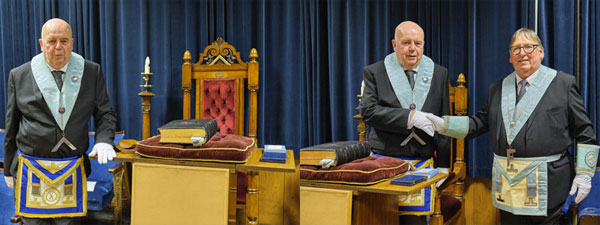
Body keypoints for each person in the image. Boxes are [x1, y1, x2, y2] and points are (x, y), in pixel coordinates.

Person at [427, 28, 598, 224]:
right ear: (510, 57)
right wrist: (444, 124)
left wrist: (584, 175)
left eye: (529, 47)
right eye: (516, 49)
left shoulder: (563, 84)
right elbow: (479, 123)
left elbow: (585, 133)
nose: (522, 53)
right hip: (508, 187)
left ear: (541, 52)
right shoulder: (498, 89)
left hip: (549, 188)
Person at [3, 18, 117, 224]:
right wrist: (10, 170)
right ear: (41, 43)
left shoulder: (91, 72)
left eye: (64, 41)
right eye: (51, 41)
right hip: (31, 171)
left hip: (71, 170)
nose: (58, 48)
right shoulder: (19, 75)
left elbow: (105, 114)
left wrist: (104, 140)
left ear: (72, 43)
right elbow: (11, 126)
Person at [359, 21, 450, 223]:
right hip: (384, 162)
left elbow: (443, 124)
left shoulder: (439, 73)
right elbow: (368, 112)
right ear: (394, 44)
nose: (412, 49)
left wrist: (444, 165)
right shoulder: (374, 72)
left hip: (422, 164)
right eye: (406, 42)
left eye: (418, 43)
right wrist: (410, 118)